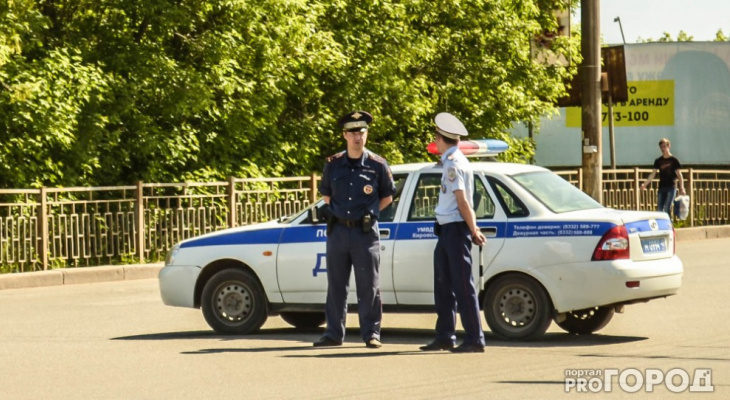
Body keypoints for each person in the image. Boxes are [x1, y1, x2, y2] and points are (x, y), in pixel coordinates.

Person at [314, 110, 396, 349]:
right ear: (345, 135)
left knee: (368, 285)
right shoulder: (333, 164)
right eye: (352, 132)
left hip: (364, 234)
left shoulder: (377, 165)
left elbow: (387, 196)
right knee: (336, 286)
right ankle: (333, 334)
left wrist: (369, 213)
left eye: (361, 132)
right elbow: (326, 196)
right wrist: (342, 214)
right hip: (338, 232)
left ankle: (371, 333)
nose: (357, 137)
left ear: (366, 134)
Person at [420, 112, 487, 354]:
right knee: (443, 284)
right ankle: (445, 335)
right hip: (447, 229)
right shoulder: (452, 160)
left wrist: (473, 229)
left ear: (440, 138)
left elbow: (462, 202)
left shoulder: (454, 164)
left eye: (436, 137)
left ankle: (474, 338)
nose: (435, 141)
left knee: (462, 285)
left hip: (456, 229)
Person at [640, 138, 686, 216]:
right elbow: (653, 174)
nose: (663, 149)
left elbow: (679, 175)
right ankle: (661, 226)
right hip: (662, 187)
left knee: (667, 207)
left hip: (671, 186)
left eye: (664, 146)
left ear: (668, 146)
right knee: (659, 209)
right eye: (661, 147)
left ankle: (668, 225)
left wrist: (682, 188)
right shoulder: (658, 161)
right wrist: (645, 184)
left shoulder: (674, 160)